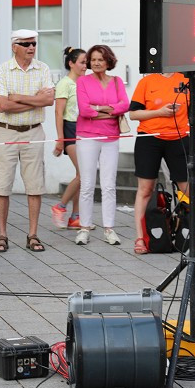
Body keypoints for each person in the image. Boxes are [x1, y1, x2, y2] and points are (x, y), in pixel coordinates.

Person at [129, 71, 195, 255]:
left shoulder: (185, 80)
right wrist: (160, 112)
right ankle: (140, 238)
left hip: (179, 138)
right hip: (149, 138)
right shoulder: (147, 81)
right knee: (145, 189)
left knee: (188, 188)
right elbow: (134, 114)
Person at [0, 29, 55, 253]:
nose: (31, 48)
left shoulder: (43, 68)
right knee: (2, 185)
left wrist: (17, 97)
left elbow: (49, 100)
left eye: (34, 43)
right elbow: (3, 106)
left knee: (35, 184)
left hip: (33, 131)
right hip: (5, 132)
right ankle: (2, 234)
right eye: (26, 43)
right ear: (14, 46)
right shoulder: (3, 70)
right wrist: (36, 101)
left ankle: (33, 234)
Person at [74, 45, 129, 246]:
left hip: (111, 137)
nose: (96, 63)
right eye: (93, 59)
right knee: (87, 184)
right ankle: (84, 228)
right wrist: (109, 110)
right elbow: (84, 110)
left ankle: (109, 229)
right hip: (87, 136)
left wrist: (101, 109)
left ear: (108, 62)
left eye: (101, 59)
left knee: (109, 185)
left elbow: (125, 104)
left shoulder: (116, 82)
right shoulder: (83, 81)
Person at [50, 47, 87, 230]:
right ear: (71, 63)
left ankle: (75, 217)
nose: (85, 66)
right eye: (82, 62)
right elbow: (59, 112)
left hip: (84, 130)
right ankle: (60, 207)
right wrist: (60, 138)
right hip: (70, 129)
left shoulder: (85, 82)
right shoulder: (65, 84)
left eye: (86, 62)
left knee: (80, 175)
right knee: (83, 174)